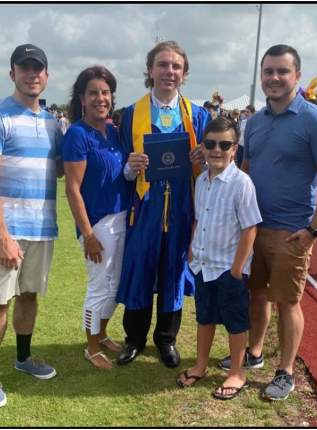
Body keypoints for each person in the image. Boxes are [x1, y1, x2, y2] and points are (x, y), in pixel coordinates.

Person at [218, 44, 317, 401]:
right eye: (268, 72)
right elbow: (244, 171)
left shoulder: (316, 120)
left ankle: (285, 371)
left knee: (288, 302)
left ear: (297, 76)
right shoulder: (253, 123)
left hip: (292, 232)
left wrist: (313, 230)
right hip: (254, 228)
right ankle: (255, 353)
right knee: (256, 294)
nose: (274, 78)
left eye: (281, 72)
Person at [0, 44, 63, 409]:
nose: (32, 74)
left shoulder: (52, 122)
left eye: (38, 68)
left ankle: (23, 358)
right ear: (12, 74)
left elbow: (58, 170)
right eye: (24, 68)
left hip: (42, 228)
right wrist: (5, 236)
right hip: (6, 232)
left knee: (29, 296)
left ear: (46, 74)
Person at [116, 40, 210, 368]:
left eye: (176, 66)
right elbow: (123, 171)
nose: (169, 71)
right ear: (150, 70)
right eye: (163, 64)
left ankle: (166, 339)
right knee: (141, 268)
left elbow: (214, 169)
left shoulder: (198, 116)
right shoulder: (132, 114)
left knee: (173, 268)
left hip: (183, 206)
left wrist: (205, 160)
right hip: (145, 208)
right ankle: (134, 339)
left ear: (184, 74)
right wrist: (131, 165)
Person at [176, 117, 262, 400]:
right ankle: (201, 364)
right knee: (205, 318)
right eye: (211, 143)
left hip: (229, 269)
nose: (217, 150)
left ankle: (236, 373)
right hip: (203, 265)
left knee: (236, 322)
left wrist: (238, 268)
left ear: (235, 148)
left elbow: (250, 227)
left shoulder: (242, 183)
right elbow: (199, 218)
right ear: (203, 146)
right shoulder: (201, 180)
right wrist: (192, 247)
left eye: (224, 144)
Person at [62, 66, 131, 370]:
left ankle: (101, 334)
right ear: (82, 98)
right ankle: (91, 347)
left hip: (122, 217)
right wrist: (87, 233)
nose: (100, 98)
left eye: (105, 92)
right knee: (98, 286)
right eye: (93, 93)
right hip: (98, 223)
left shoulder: (114, 131)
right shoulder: (78, 134)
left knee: (115, 284)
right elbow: (72, 190)